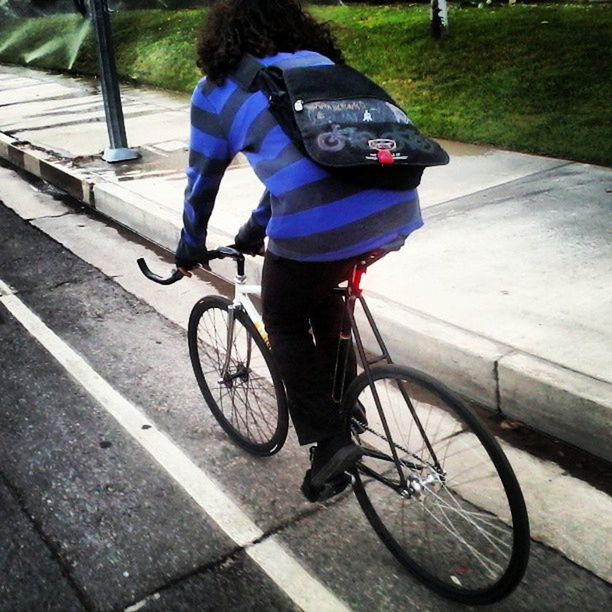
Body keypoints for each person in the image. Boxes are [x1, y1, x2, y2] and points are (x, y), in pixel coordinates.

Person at [175, 0, 424, 494]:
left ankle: (330, 443)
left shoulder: (216, 92)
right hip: (399, 205)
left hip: (320, 229)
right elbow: (311, 162)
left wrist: (190, 245)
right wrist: (253, 229)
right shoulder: (317, 66)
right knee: (325, 294)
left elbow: (201, 182)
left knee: (285, 319)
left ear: (219, 38)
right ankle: (345, 409)